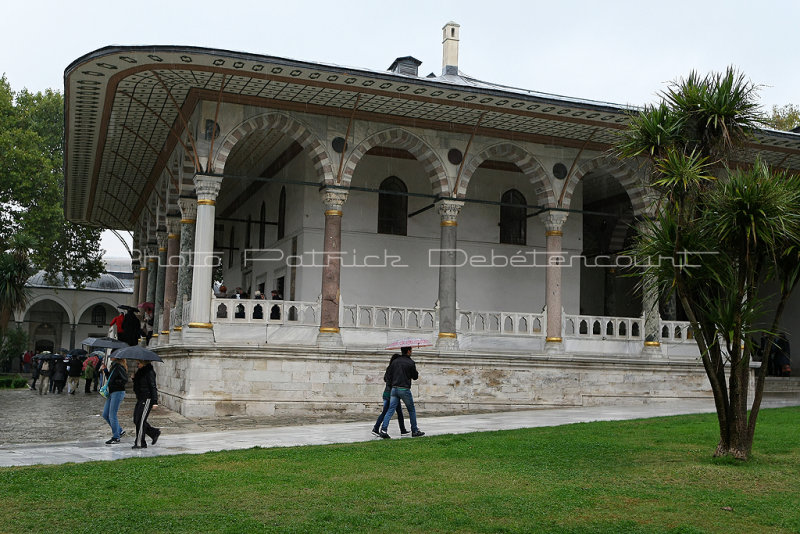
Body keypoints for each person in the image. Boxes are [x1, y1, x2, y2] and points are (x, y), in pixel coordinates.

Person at [378, 346, 425, 439]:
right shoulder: (410, 362)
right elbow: (415, 376)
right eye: (411, 350)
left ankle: (383, 430)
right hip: (404, 389)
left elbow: (389, 375)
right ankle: (414, 430)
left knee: (390, 410)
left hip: (394, 389)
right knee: (411, 410)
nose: (411, 352)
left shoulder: (395, 361)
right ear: (408, 351)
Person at [372, 353, 409, 437]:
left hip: (387, 393)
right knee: (386, 412)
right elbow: (392, 381)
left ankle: (403, 430)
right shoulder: (394, 370)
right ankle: (376, 428)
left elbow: (385, 379)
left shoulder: (389, 369)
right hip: (391, 394)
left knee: (399, 412)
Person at [131, 360, 161, 449]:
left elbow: (153, 387)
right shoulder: (140, 372)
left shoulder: (150, 372)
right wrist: (134, 379)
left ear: (144, 363)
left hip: (147, 398)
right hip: (140, 398)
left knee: (140, 421)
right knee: (136, 419)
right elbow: (140, 384)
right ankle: (153, 432)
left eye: (138, 363)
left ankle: (140, 443)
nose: (137, 365)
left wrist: (155, 401)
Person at [102, 357, 129, 444]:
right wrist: (106, 370)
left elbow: (124, 380)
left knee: (112, 415)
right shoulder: (114, 366)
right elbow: (110, 379)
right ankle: (119, 431)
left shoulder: (119, 367)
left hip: (118, 392)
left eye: (112, 355)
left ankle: (116, 437)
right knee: (105, 414)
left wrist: (115, 383)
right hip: (112, 392)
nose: (110, 357)